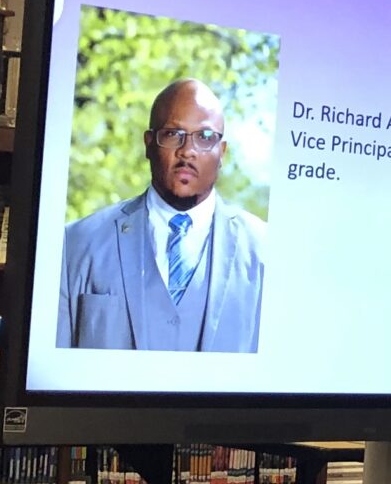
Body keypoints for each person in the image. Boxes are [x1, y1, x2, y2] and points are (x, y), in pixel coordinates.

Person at [57, 77, 267, 352]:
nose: (187, 151)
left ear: (222, 152)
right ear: (149, 143)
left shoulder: (266, 251)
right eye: (173, 134)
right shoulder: (76, 244)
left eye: (204, 137)